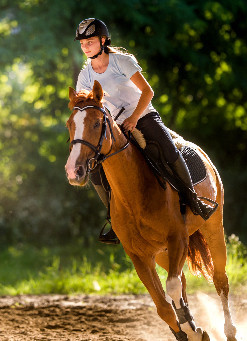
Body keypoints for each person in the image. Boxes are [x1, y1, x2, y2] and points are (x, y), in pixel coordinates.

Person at [74, 18, 217, 244]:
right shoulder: (85, 76)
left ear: (103, 41)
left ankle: (193, 200)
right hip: (114, 128)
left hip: (143, 116)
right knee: (95, 170)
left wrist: (133, 118)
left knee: (169, 151)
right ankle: (114, 219)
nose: (85, 46)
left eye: (90, 41)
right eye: (82, 43)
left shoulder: (122, 61)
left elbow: (147, 92)